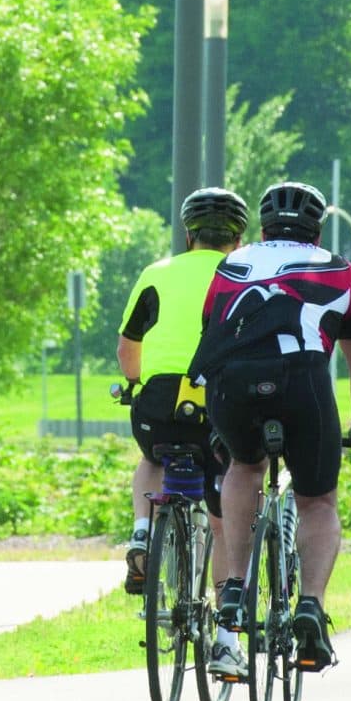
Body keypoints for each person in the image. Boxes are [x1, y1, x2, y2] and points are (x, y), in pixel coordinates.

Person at [192, 180, 351, 675]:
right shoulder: (340, 270)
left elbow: (211, 332)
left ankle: (234, 589)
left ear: (263, 226)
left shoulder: (231, 264)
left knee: (243, 466)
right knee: (317, 500)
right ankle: (311, 610)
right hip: (302, 379)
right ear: (317, 229)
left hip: (230, 383)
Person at [116, 186, 247, 595]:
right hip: (217, 400)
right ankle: (226, 619)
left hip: (158, 400)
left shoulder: (156, 273)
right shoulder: (244, 276)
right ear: (238, 240)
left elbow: (127, 348)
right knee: (224, 498)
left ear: (188, 235)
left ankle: (141, 530)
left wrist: (135, 383)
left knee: (151, 458)